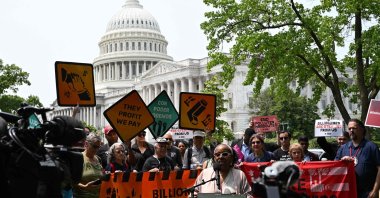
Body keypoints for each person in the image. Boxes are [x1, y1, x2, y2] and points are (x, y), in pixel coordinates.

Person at [335, 119, 380, 198]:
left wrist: (375, 190)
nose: (351, 130)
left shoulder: (371, 147)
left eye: (354, 128)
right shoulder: (343, 148)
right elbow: (334, 167)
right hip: (347, 193)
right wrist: (341, 161)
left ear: (362, 130)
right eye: (349, 129)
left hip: (367, 194)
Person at [73, 133, 103, 198]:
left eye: (99, 147)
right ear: (86, 144)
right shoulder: (78, 158)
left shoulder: (98, 159)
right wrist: (84, 186)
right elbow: (70, 180)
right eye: (94, 146)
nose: (97, 149)